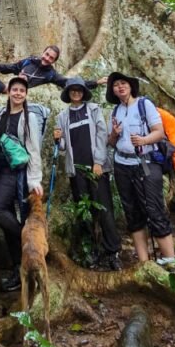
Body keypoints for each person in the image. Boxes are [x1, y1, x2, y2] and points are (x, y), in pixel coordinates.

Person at [106, 71, 175, 265]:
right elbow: (111, 142)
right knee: (132, 213)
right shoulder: (115, 111)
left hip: (145, 163)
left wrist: (144, 140)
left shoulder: (145, 105)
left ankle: (170, 263)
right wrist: (115, 133)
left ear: (130, 86)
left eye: (123, 83)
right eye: (116, 85)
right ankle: (144, 264)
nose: (120, 87)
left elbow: (159, 133)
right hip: (122, 165)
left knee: (154, 210)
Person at [54, 76, 122, 271]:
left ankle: (112, 252)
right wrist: (58, 140)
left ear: (84, 92)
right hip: (76, 171)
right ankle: (91, 250)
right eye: (72, 90)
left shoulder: (93, 110)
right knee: (84, 213)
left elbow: (102, 136)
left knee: (104, 209)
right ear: (68, 93)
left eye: (79, 89)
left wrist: (98, 162)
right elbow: (64, 147)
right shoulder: (62, 116)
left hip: (96, 168)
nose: (76, 92)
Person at [0, 75, 44, 292]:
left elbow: (34, 149)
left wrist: (35, 180)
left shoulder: (30, 118)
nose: (18, 93)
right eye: (14, 90)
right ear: (8, 92)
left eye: (22, 91)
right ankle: (19, 268)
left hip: (14, 173)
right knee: (4, 214)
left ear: (26, 94)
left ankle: (24, 237)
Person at [0, 45, 104, 92]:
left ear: (54, 61)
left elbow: (69, 82)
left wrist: (96, 82)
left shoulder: (50, 74)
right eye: (46, 54)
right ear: (43, 52)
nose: (47, 58)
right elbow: (10, 67)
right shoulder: (29, 61)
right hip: (12, 91)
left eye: (51, 58)